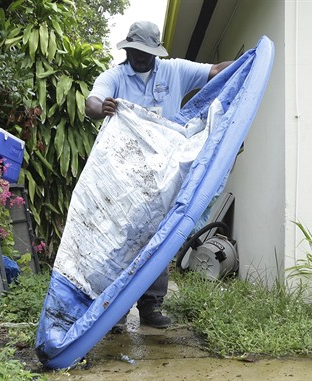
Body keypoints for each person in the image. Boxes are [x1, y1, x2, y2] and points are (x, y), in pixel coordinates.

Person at [85, 21, 233, 331]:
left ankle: (151, 306)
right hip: (125, 174)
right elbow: (92, 102)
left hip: (163, 174)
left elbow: (217, 70)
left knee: (158, 237)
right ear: (128, 49)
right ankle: (116, 312)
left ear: (155, 51)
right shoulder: (115, 76)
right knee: (122, 240)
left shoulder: (174, 70)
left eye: (145, 52)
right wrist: (101, 108)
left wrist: (253, 60)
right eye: (134, 51)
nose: (139, 57)